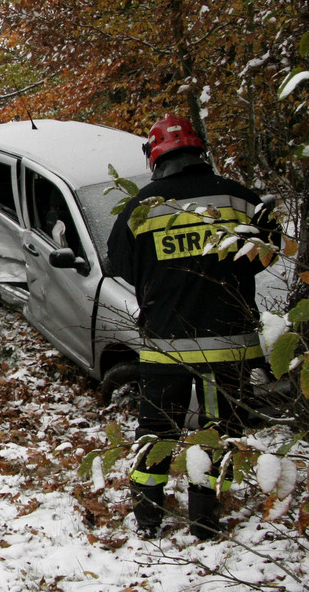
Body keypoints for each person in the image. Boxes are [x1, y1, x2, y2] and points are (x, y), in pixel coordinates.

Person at [107, 114, 279, 540]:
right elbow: (267, 255)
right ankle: (205, 520)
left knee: (156, 432)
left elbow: (121, 265)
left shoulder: (141, 207)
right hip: (229, 347)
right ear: (199, 150)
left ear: (155, 157)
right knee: (219, 435)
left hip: (165, 348)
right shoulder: (239, 199)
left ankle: (148, 520)